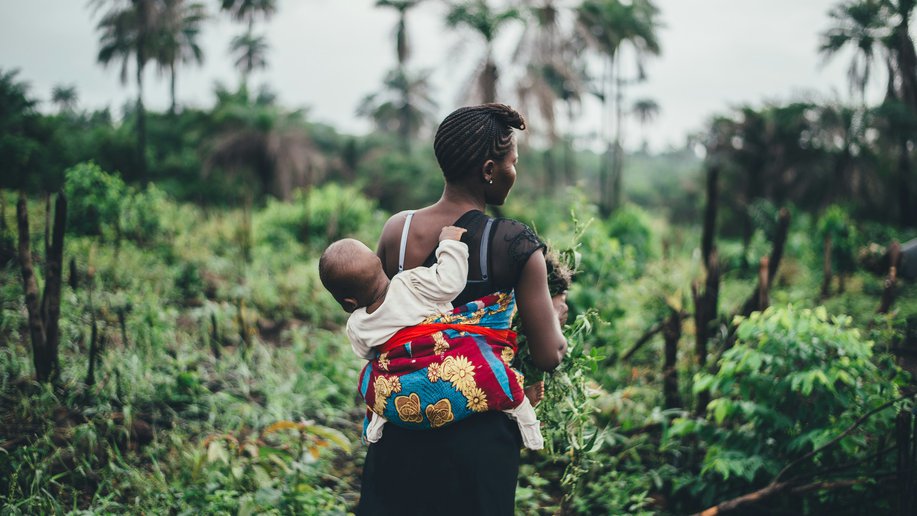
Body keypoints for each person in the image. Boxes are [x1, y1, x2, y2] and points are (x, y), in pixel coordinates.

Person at [357, 103, 568, 516]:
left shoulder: (396, 231)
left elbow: (382, 322)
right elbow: (548, 355)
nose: (514, 172)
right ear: (489, 169)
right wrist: (555, 317)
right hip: (478, 448)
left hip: (402, 427)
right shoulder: (514, 244)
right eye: (512, 162)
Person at [318, 227, 545, 449]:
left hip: (404, 392)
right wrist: (450, 243)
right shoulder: (409, 282)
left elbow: (369, 354)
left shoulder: (357, 324)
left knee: (370, 377)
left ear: (348, 303)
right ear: (379, 264)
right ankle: (525, 417)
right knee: (487, 367)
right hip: (445, 366)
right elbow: (450, 283)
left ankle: (377, 422)